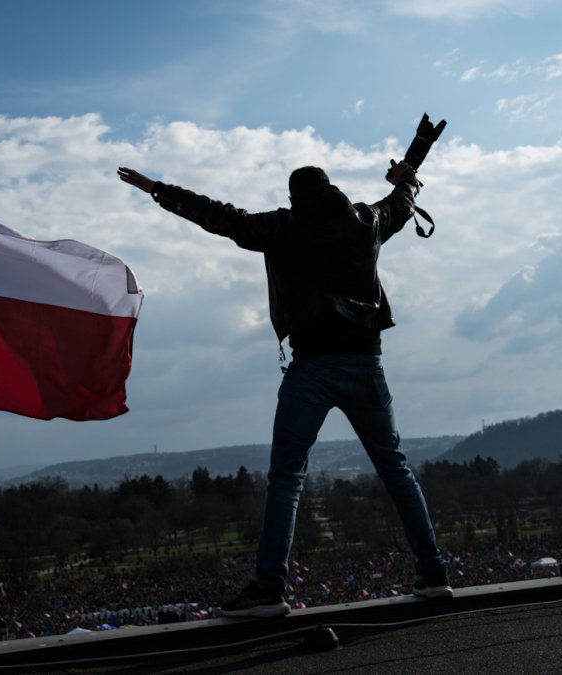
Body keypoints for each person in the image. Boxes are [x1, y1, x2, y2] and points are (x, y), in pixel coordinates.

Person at [117, 158, 452, 618]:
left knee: (287, 477)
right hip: (366, 363)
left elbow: (218, 215)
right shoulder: (366, 221)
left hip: (312, 367)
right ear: (331, 188)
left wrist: (158, 188)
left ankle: (269, 588)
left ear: (294, 198)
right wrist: (407, 178)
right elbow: (401, 202)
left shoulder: (281, 228)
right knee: (395, 469)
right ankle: (434, 574)